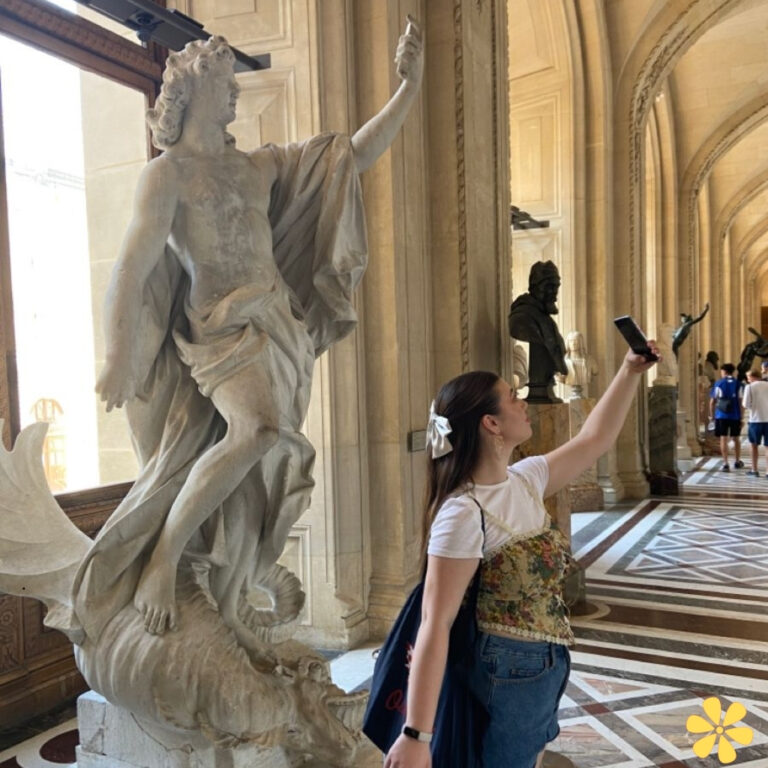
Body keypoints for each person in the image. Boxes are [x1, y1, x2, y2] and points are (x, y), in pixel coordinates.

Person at [76, 29, 424, 646]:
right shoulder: (167, 175)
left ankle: (231, 602)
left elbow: (350, 156)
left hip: (279, 328)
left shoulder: (259, 166)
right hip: (220, 331)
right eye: (224, 83)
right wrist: (116, 355)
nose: (235, 92)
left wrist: (408, 89)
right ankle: (161, 560)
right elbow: (130, 267)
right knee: (257, 432)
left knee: (249, 481)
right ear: (190, 93)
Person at [383, 340, 660, 768]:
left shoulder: (525, 480)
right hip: (505, 671)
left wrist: (629, 371)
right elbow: (435, 622)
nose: (524, 402)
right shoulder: (463, 512)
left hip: (544, 663)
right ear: (491, 423)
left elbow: (595, 438)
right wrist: (416, 734)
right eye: (513, 397)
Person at [508, 260, 567, 403]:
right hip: (538, 389)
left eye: (556, 286)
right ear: (535, 287)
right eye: (549, 287)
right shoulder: (522, 317)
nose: (554, 292)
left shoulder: (545, 318)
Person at [709, 363, 744, 471]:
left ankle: (725, 463)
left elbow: (712, 401)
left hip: (721, 415)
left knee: (723, 438)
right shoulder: (738, 384)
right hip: (735, 415)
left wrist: (712, 416)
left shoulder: (719, 383)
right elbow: (741, 401)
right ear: (733, 372)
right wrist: (741, 416)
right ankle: (737, 461)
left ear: (723, 371)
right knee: (736, 438)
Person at [555, 330, 598, 399]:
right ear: (568, 343)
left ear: (581, 343)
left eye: (576, 340)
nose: (573, 343)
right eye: (571, 341)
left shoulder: (590, 361)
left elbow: (595, 371)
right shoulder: (562, 362)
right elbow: (558, 376)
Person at [742, 370, 768, 477]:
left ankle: (754, 470)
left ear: (753, 377)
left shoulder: (749, 387)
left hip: (755, 420)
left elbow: (745, 404)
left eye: (748, 377)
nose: (748, 380)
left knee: (753, 445)